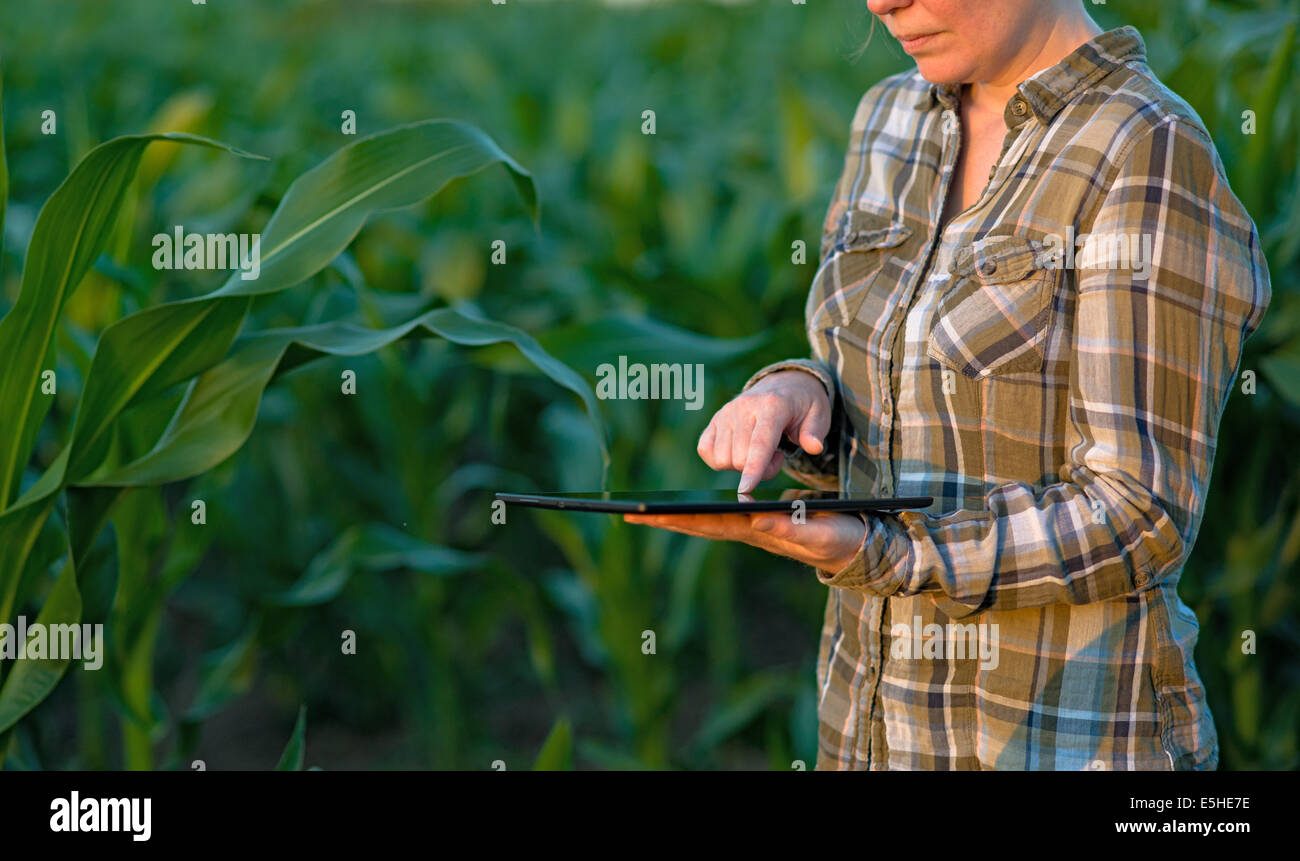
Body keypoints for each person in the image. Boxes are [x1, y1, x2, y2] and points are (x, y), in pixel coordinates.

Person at [623, 0, 1271, 770]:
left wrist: (888, 551)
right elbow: (886, 372)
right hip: (867, 728)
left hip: (1055, 737)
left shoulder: (1144, 148)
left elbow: (1138, 511)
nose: (881, 3)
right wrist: (800, 397)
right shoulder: (890, 119)